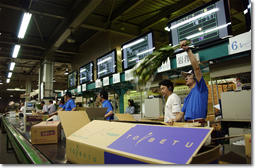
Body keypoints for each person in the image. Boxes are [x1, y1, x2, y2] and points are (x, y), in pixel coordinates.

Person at [169, 40, 208, 125]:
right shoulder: (187, 98)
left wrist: (188, 50)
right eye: (185, 77)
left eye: (188, 76)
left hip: (199, 125)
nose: (186, 78)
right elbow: (181, 114)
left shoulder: (201, 88)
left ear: (194, 77)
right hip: (189, 125)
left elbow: (197, 68)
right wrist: (173, 120)